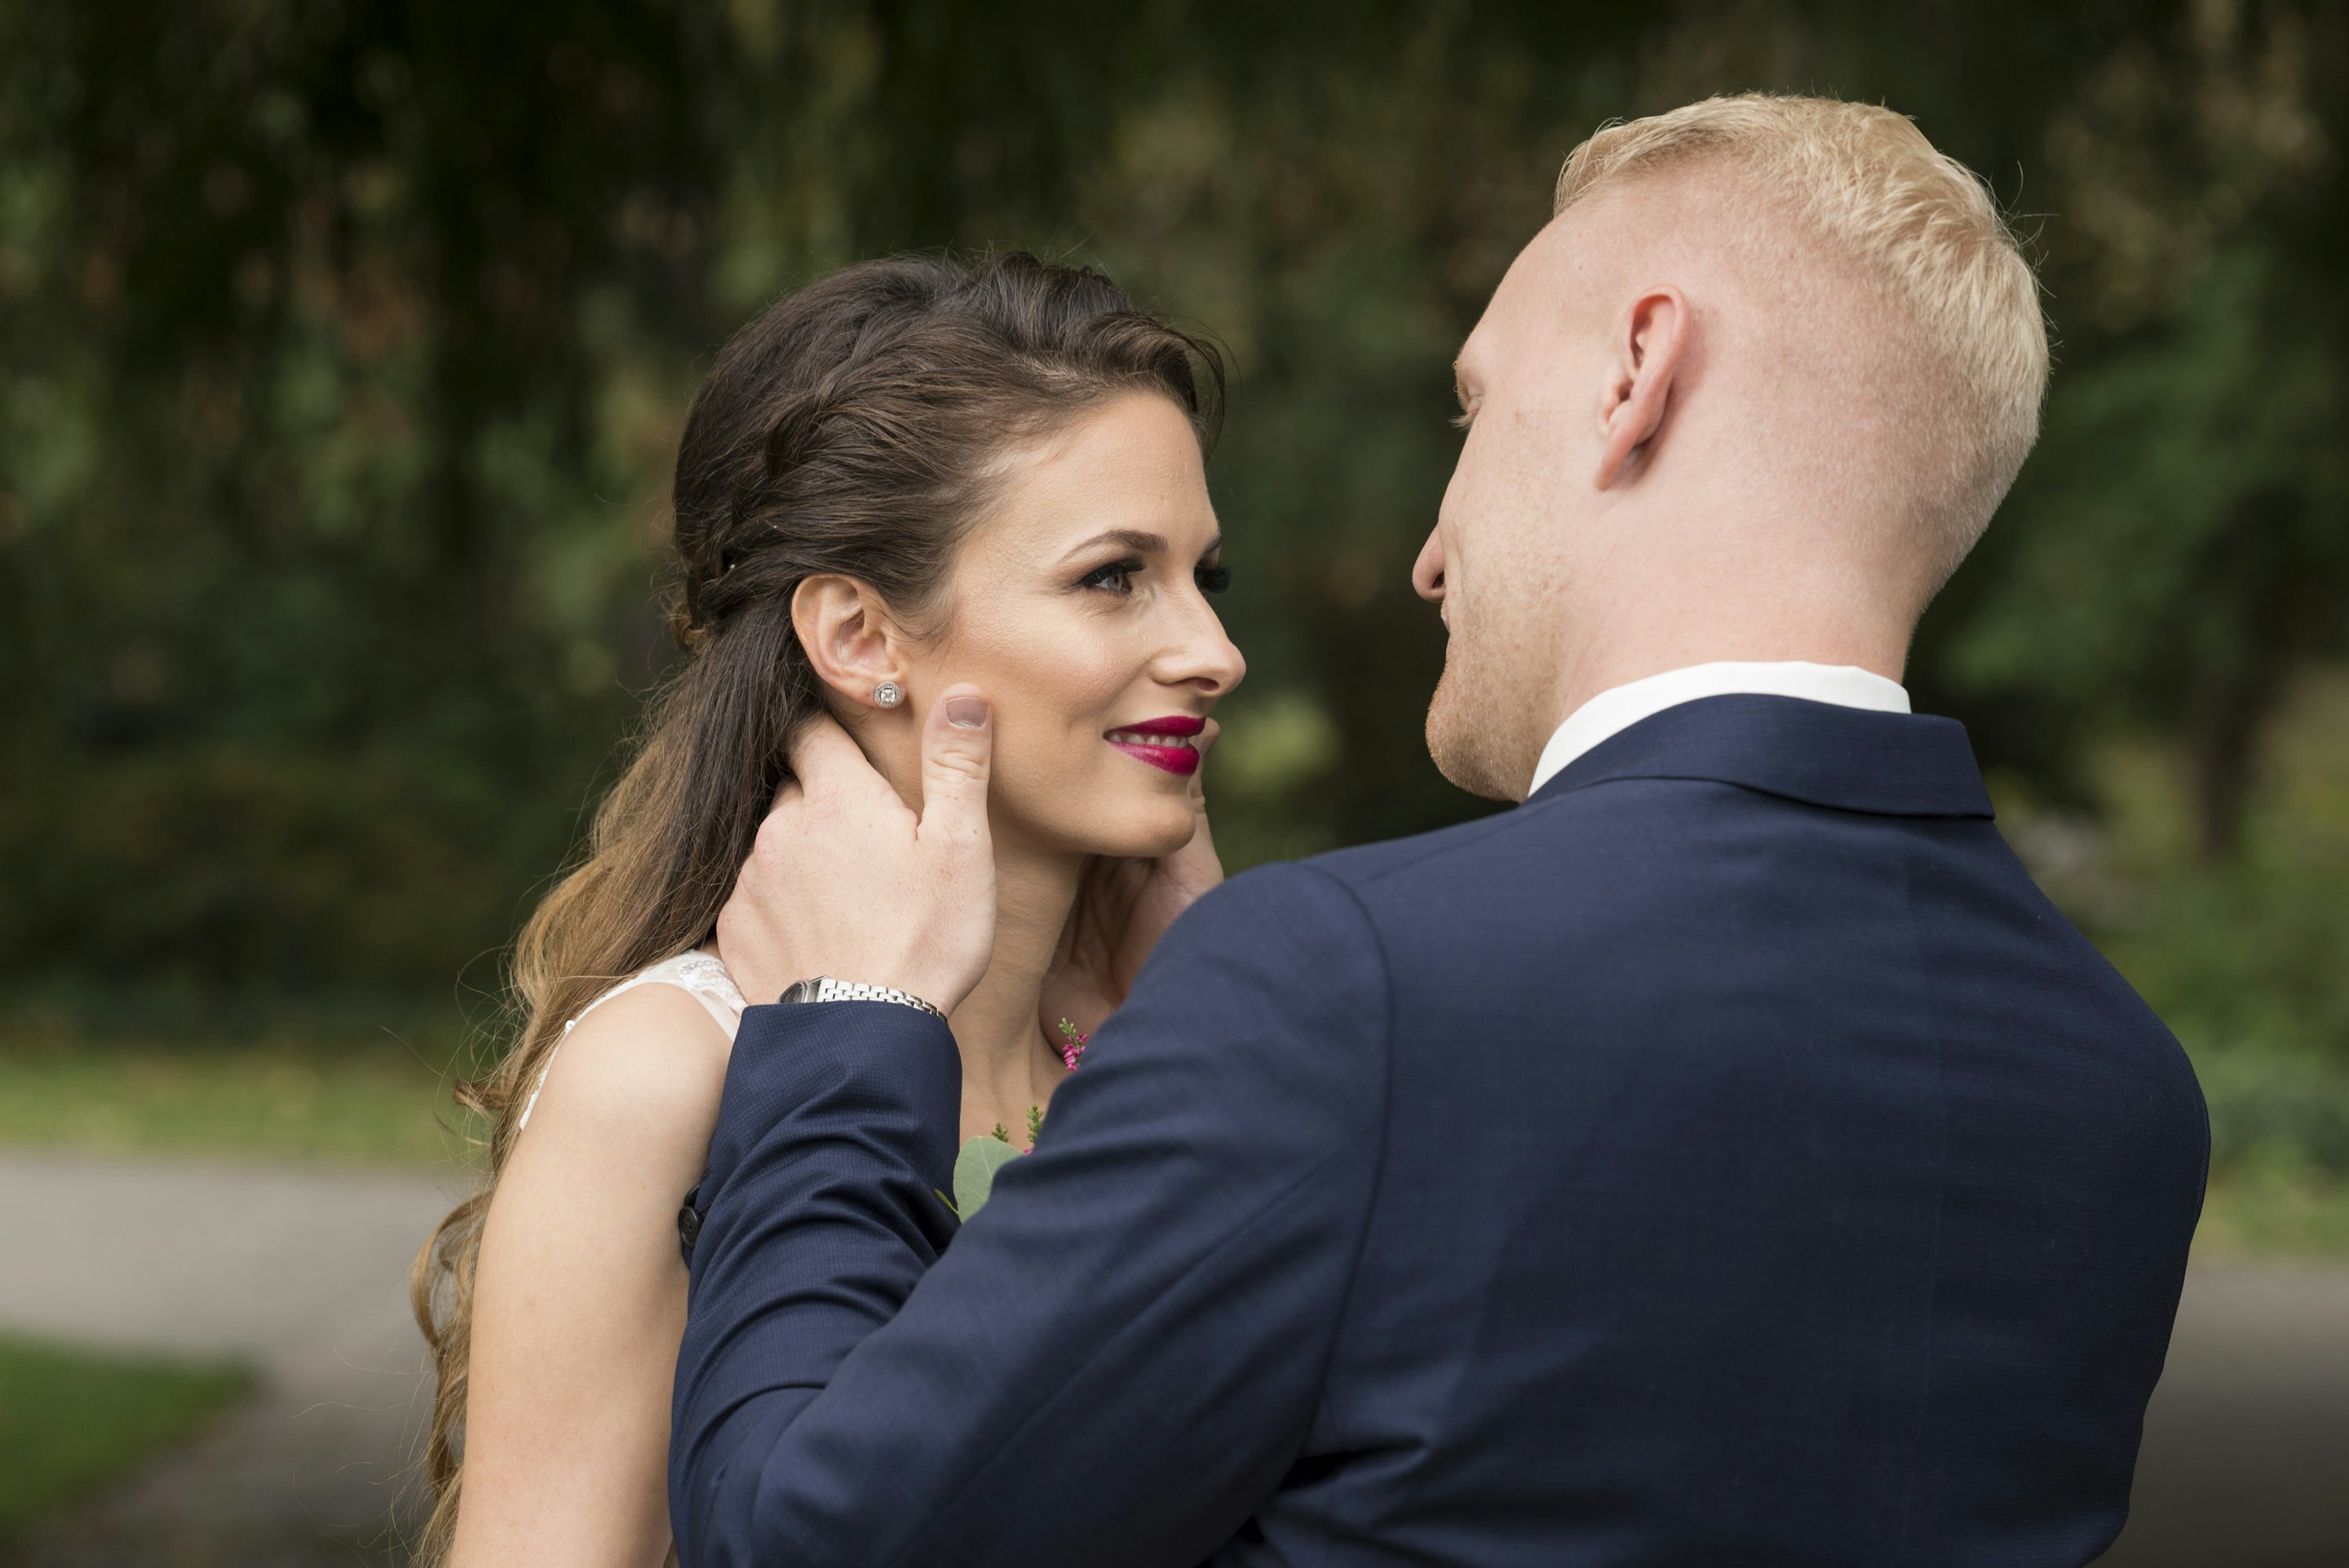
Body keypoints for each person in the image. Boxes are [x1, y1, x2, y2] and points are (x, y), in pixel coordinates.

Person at [672, 95, 2210, 1566]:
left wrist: (850, 1031)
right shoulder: (2122, 1094)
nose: (1427, 553)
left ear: (1637, 374)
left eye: (1474, 407)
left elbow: (810, 1539)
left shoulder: (1341, 989)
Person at [407, 251, 1245, 1567]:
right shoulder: (675, 1069)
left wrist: (1224, 1012)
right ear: (860, 635)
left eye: (1207, 577)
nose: (1213, 651)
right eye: (1113, 577)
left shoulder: (1154, 1034)